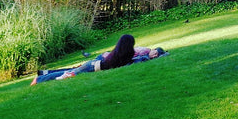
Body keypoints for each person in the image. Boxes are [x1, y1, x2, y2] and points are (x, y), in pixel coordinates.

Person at [31, 35, 164, 84]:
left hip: (94, 64)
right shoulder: (128, 54)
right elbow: (140, 59)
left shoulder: (120, 53)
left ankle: (42, 75)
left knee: (70, 71)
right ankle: (39, 79)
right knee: (67, 74)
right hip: (92, 66)